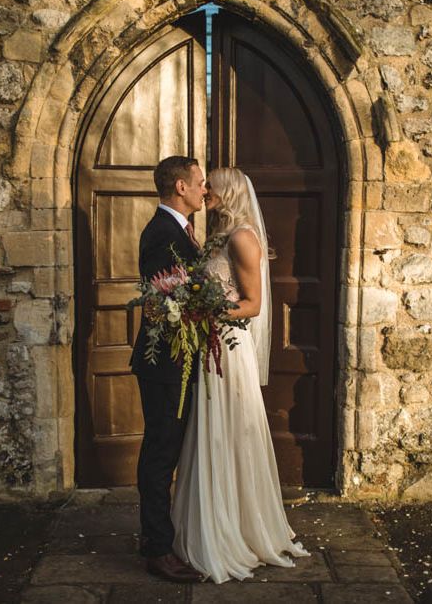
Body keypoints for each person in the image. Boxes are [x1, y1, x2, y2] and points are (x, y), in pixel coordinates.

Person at [171, 167, 309, 583]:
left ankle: (239, 529)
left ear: (229, 193)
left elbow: (252, 305)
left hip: (228, 350)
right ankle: (210, 523)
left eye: (212, 185)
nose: (205, 190)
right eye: (203, 183)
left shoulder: (243, 237)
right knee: (209, 432)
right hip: (209, 346)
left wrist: (205, 312)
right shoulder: (216, 237)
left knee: (230, 432)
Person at [130, 155, 207, 583]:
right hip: (164, 363)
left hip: (176, 360)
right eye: (198, 182)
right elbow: (167, 303)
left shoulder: (179, 232)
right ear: (180, 187)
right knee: (160, 455)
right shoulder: (162, 234)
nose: (203, 188)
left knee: (165, 451)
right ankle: (157, 549)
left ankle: (155, 536)